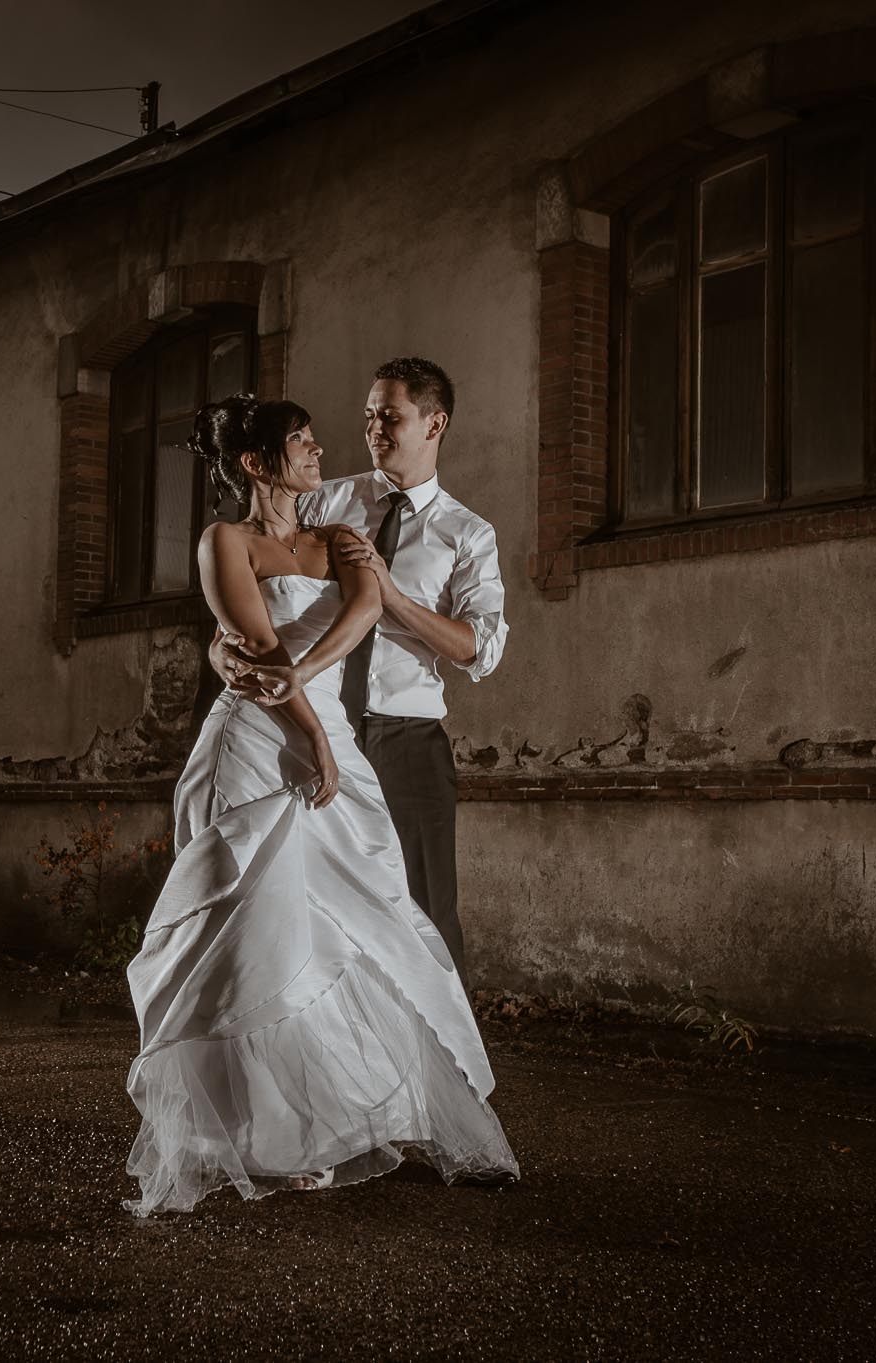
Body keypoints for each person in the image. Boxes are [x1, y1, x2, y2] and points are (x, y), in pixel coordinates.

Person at [123, 392, 517, 1218]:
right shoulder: (279, 517)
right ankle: (262, 1127)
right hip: (269, 739)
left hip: (371, 729)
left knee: (378, 922)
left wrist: (302, 685)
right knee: (254, 934)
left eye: (389, 416)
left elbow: (376, 608)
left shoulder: (377, 529)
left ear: (435, 422)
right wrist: (271, 691)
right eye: (304, 439)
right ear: (257, 464)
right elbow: (250, 631)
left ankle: (383, 1113)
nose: (344, 439)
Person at [214, 357, 505, 975]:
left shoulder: (467, 534)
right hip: (317, 727)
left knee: (425, 909)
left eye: (391, 417)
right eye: (370, 415)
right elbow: (264, 586)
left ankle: (441, 1064)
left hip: (408, 738)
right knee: (318, 907)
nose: (375, 429)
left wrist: (394, 597)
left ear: (435, 423)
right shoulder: (326, 501)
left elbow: (478, 647)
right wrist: (220, 645)